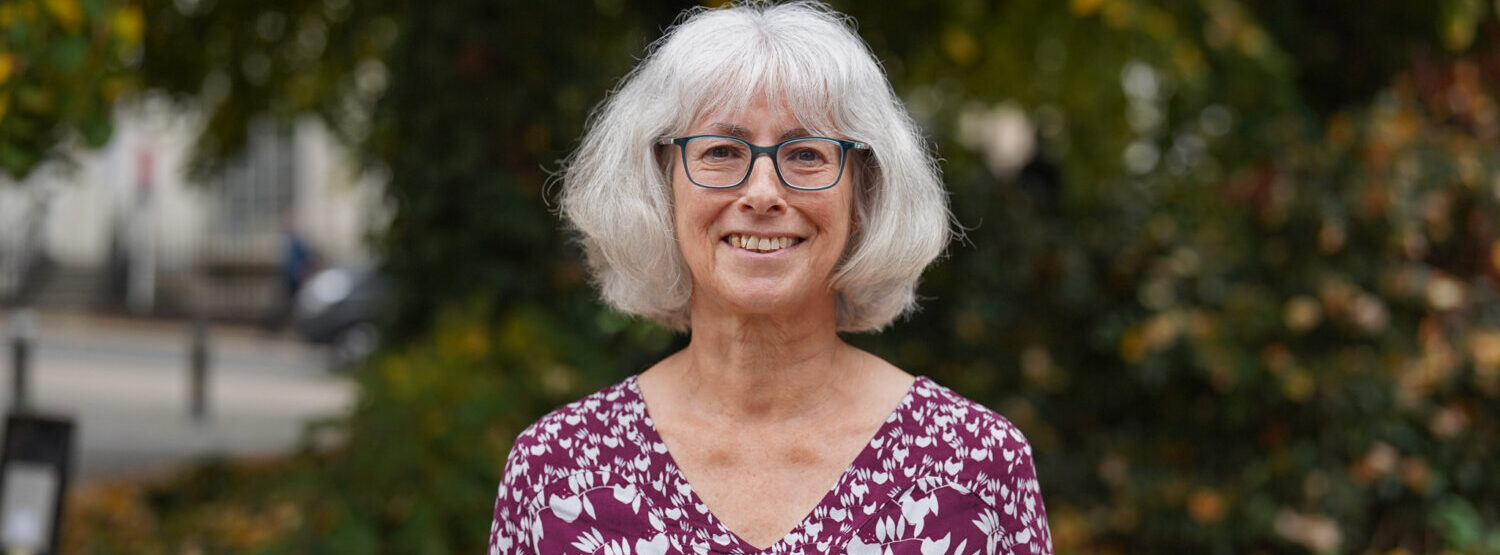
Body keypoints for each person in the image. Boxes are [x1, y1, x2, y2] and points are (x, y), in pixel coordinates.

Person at [489, 2, 1052, 553]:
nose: (762, 193)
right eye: (721, 151)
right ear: (661, 190)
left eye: (806, 154)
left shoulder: (977, 464)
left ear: (864, 194)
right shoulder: (556, 471)